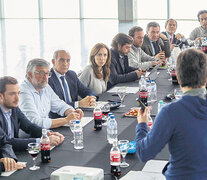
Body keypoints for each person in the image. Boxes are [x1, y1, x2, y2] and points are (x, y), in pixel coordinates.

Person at [135, 49, 207, 179]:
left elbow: (144, 153)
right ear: (206, 78)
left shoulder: (171, 112)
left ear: (178, 78)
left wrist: (142, 124)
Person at [0, 76, 64, 151]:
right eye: (12, 94)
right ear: (1, 96)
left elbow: (29, 126)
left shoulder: (14, 108)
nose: (17, 98)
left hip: (12, 153)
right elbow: (6, 141)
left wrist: (47, 134)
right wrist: (42, 142)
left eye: (18, 93)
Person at [19, 58, 83, 129]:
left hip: (46, 131)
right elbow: (35, 123)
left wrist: (72, 112)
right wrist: (66, 120)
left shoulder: (44, 86)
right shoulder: (23, 92)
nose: (45, 77)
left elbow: (59, 104)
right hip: (30, 136)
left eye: (47, 73)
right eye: (41, 73)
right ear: (30, 74)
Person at [48, 50, 96, 118]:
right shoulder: (48, 79)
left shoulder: (71, 74)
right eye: (62, 60)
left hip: (76, 114)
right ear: (53, 62)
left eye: (68, 60)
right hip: (58, 118)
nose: (65, 64)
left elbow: (86, 91)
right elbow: (54, 105)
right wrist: (78, 104)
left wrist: (91, 98)